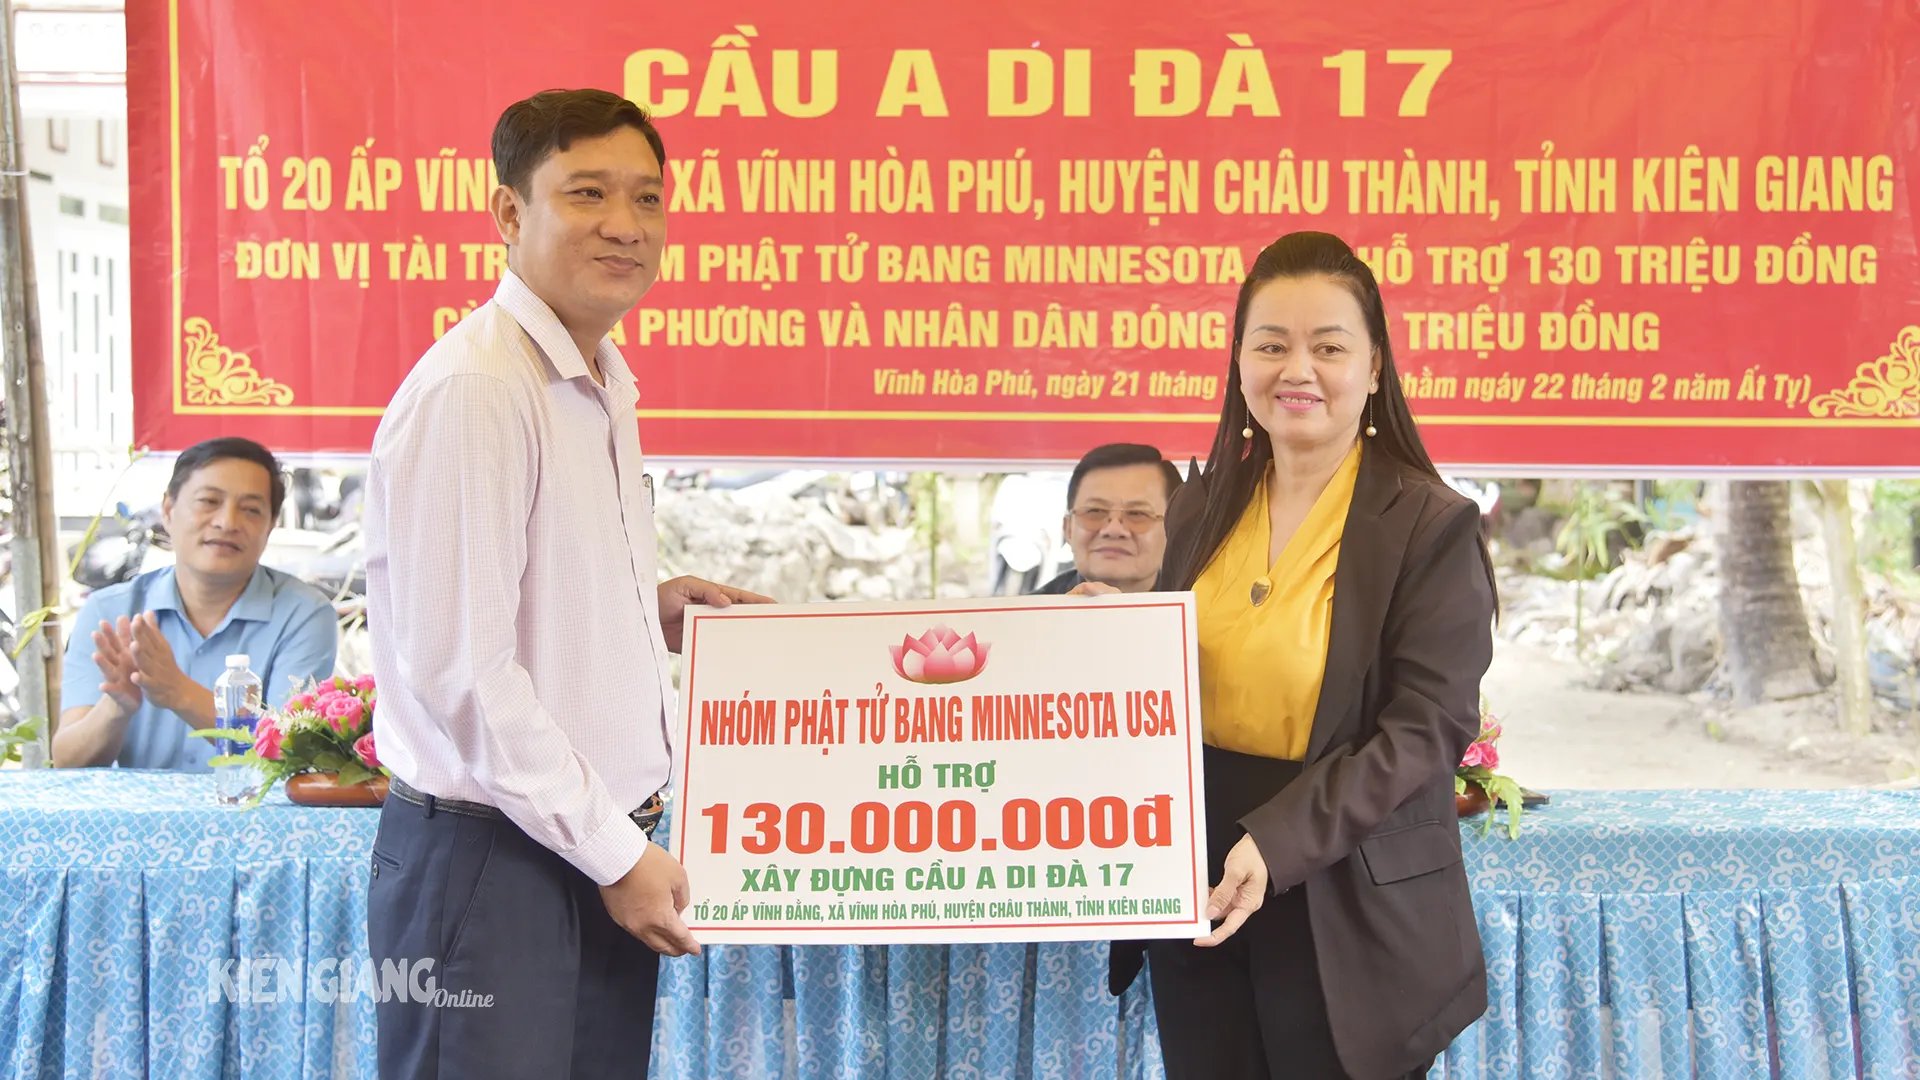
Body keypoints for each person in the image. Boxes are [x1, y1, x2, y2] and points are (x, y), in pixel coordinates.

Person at [362, 88, 770, 1080]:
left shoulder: (599, 379)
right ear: (509, 213)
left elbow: (526, 596)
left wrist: (646, 607)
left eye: (646, 198)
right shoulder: (480, 390)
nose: (625, 226)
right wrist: (623, 858)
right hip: (495, 864)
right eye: (587, 193)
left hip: (581, 848)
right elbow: (466, 674)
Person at [1100, 232, 1498, 1080]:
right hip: (1195, 883)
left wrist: (1276, 844)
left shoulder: (1431, 524)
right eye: (1271, 344)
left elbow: (1425, 731)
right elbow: (1165, 676)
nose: (1297, 369)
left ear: (1376, 365)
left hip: (1343, 895)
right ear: (1240, 361)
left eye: (1328, 346)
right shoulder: (1206, 499)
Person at [52, 437, 339, 770]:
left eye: (250, 509)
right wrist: (115, 709)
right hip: (133, 822)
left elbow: (291, 751)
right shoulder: (109, 612)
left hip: (255, 821)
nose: (227, 522)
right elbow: (67, 762)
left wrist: (178, 692)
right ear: (168, 510)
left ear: (271, 525)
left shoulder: (304, 615)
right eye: (208, 501)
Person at [1033, 443, 1182, 595]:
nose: (1113, 530)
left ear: (1173, 531)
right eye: (1095, 511)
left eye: (1137, 513)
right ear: (1068, 529)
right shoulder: (1024, 616)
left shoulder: (1198, 613)